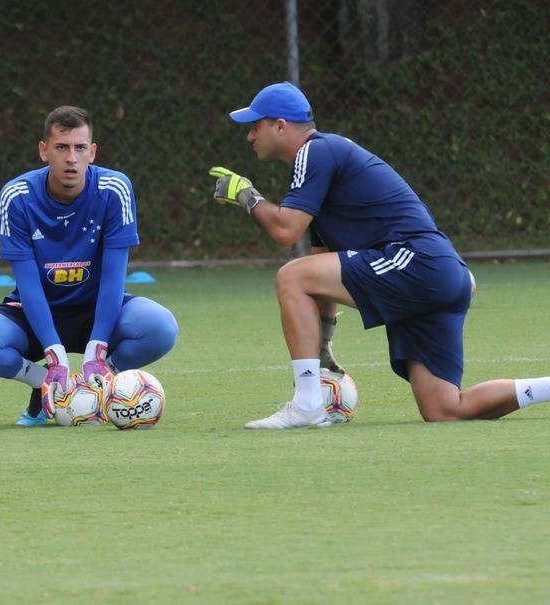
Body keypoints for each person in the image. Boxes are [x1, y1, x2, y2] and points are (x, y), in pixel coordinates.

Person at [210, 81, 550, 429]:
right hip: (436, 274)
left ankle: (307, 404)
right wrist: (322, 350)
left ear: (280, 126)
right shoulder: (321, 168)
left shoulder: (315, 151)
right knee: (445, 409)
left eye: (255, 126)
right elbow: (320, 268)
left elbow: (286, 231)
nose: (250, 136)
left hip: (417, 263)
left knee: (290, 275)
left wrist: (248, 196)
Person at [0, 105, 178, 425]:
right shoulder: (16, 196)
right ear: (44, 151)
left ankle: (99, 386)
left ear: (93, 152)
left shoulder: (114, 189)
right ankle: (45, 384)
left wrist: (98, 350)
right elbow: (28, 283)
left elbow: (114, 277)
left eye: (80, 148)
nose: (71, 158)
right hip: (34, 314)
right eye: (61, 147)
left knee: (160, 327)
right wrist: (53, 355)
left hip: (98, 308)